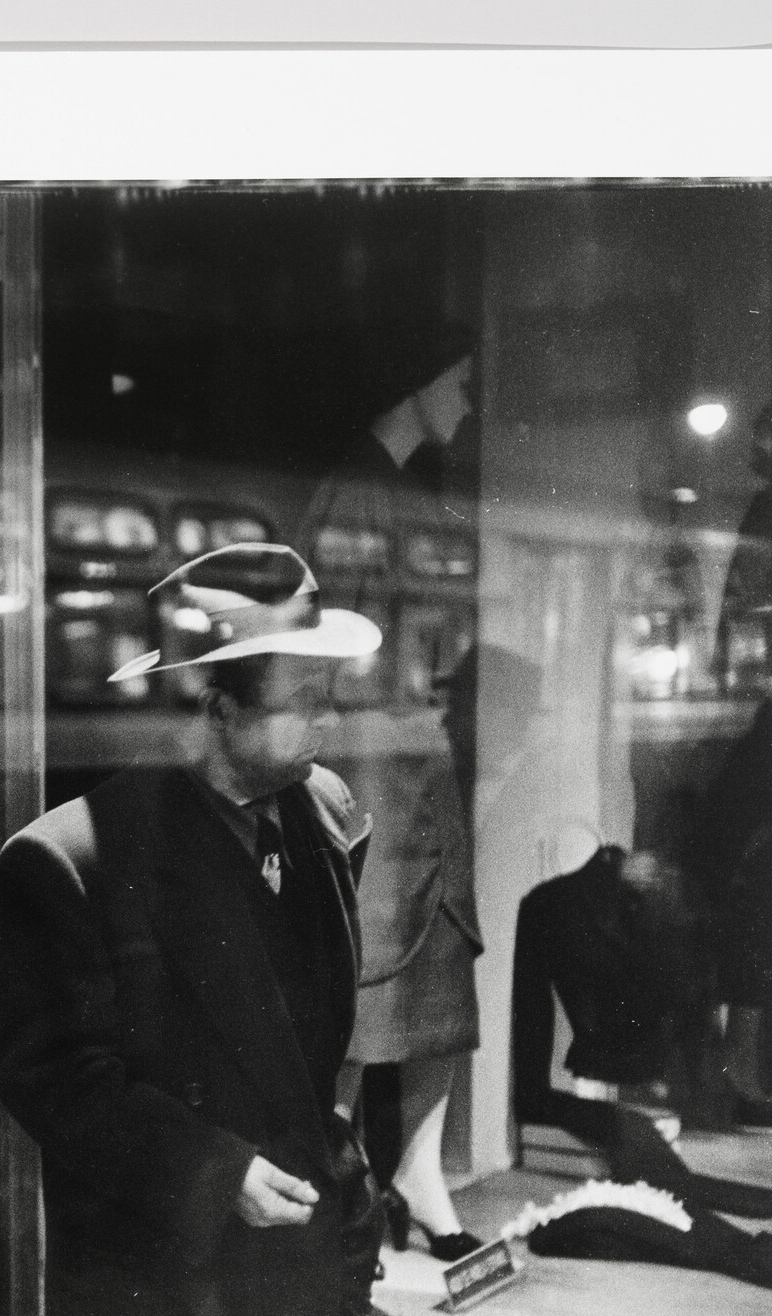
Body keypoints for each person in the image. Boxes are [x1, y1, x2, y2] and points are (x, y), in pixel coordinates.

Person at [0, 543, 384, 1316]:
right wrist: (217, 1173)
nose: (330, 719)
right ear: (215, 708)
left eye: (329, 692)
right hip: (169, 1291)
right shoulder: (69, 860)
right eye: (303, 699)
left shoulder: (324, 808)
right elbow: (55, 1079)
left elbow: (314, 1031)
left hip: (307, 1269)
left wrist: (346, 1171)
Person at [294, 331, 484, 1261]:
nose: (471, 398)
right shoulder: (353, 491)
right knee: (360, 978)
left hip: (414, 762)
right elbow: (325, 649)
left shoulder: (402, 489)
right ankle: (336, 1185)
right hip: (369, 766)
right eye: (460, 379)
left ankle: (418, 1176)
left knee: (437, 965)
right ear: (416, 380)